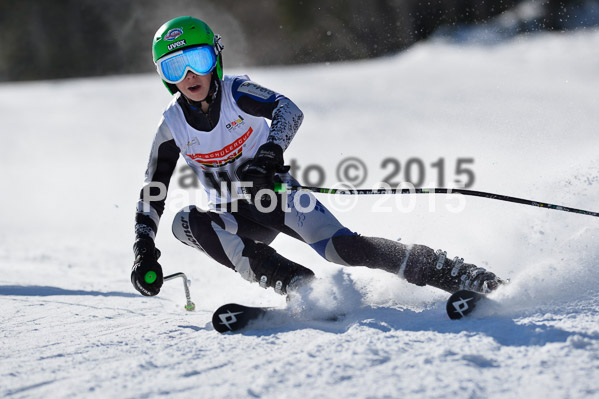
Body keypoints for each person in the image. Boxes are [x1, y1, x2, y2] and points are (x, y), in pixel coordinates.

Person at [131, 16, 505, 299]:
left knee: (344, 249)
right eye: (175, 67)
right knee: (186, 223)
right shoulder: (172, 126)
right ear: (165, 77)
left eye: (196, 58)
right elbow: (153, 191)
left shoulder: (237, 92)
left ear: (215, 57)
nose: (190, 74)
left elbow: (288, 110)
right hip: (235, 216)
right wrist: (143, 248)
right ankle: (299, 287)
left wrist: (268, 156)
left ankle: (455, 273)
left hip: (274, 196)